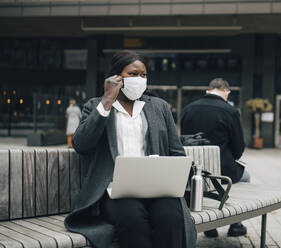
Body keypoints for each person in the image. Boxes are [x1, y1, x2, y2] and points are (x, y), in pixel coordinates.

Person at [64, 50, 196, 248]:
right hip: (115, 192)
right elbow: (81, 145)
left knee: (171, 217)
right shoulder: (96, 106)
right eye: (133, 74)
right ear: (116, 77)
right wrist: (107, 101)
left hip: (157, 189)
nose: (139, 79)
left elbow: (176, 152)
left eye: (143, 75)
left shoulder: (159, 107)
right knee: (133, 220)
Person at [181, 78, 249, 237]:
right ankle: (236, 224)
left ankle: (209, 226)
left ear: (208, 91)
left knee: (200, 185)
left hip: (192, 170)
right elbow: (239, 148)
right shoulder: (230, 111)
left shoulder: (188, 109)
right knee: (246, 177)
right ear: (227, 92)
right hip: (223, 171)